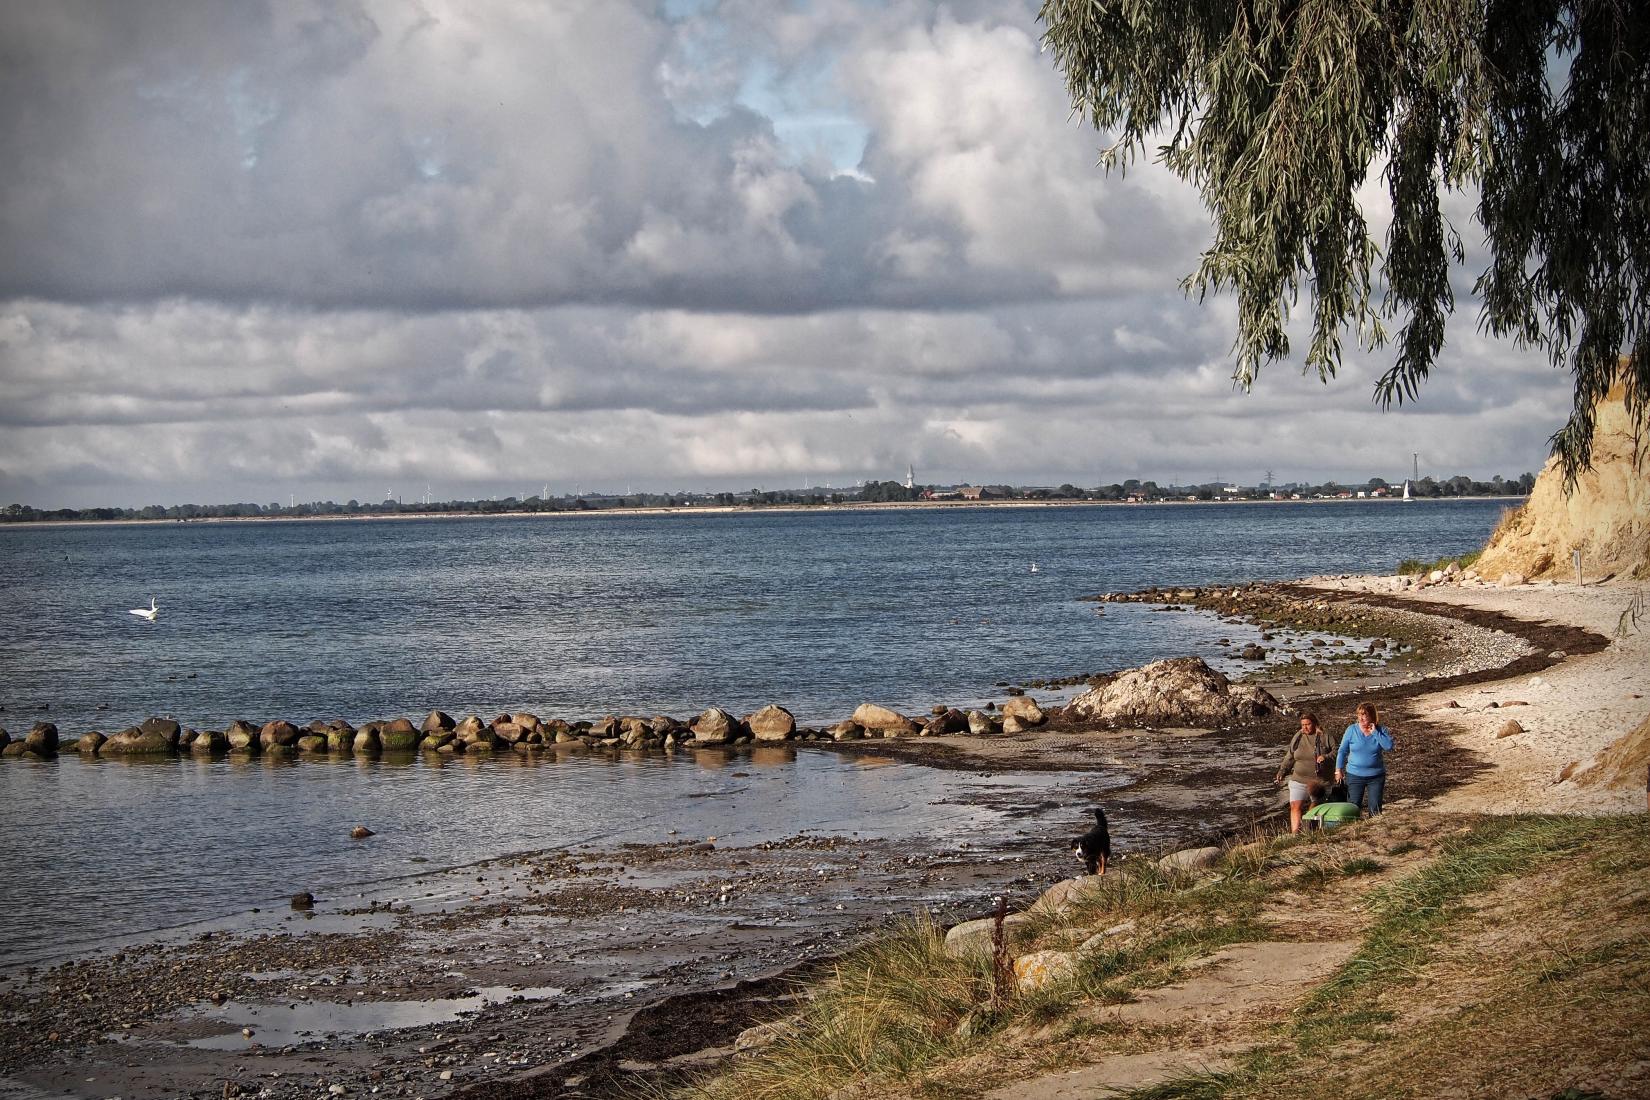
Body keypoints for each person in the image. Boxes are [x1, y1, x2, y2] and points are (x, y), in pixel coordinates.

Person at [1274, 712, 1336, 834]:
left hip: (1319, 781)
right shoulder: (1298, 736)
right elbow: (1290, 755)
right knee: (1295, 806)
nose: (1305, 727)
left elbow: (1337, 752)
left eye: (1308, 724)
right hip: (1299, 779)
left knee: (1315, 807)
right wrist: (1282, 771)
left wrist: (1326, 757)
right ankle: (1295, 834)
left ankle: (1309, 832)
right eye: (1303, 725)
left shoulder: (1325, 736)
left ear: (1315, 723)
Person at [1336, 702, 1395, 815]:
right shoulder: (1351, 730)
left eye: (1364, 715)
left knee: (1375, 809)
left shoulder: (1381, 730)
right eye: (1359, 715)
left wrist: (1375, 733)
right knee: (1353, 807)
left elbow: (1389, 746)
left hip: (1376, 776)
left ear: (1372, 716)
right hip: (1354, 775)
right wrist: (1338, 769)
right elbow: (1342, 751)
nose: (1361, 718)